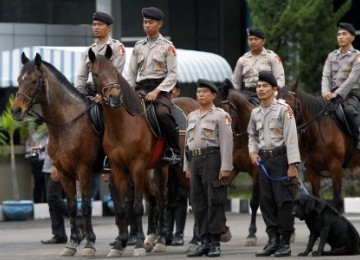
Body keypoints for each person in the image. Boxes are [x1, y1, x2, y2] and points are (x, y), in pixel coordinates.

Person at [247, 71, 301, 257]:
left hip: (281, 160)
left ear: (274, 89)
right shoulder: (255, 112)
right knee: (266, 202)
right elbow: (252, 135)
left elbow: (291, 137)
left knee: (283, 202)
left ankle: (284, 242)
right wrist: (252, 152)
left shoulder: (284, 110)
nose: (261, 90)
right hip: (264, 161)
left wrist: (293, 164)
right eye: (258, 86)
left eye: (265, 86)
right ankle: (273, 240)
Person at [184, 79, 233, 257]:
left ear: (213, 95)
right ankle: (203, 241)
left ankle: (214, 242)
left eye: (205, 91)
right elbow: (187, 145)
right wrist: (187, 166)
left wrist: (226, 166)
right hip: (195, 160)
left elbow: (227, 142)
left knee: (215, 201)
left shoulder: (221, 115)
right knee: (198, 204)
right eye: (198, 92)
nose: (200, 95)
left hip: (213, 159)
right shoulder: (192, 116)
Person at [127, 6, 181, 164]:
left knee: (162, 114)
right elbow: (131, 73)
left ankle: (174, 150)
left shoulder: (167, 46)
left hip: (160, 89)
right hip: (140, 88)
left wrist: (157, 91)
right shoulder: (138, 46)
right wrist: (128, 91)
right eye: (145, 22)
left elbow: (172, 74)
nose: (147, 25)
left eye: (150, 22)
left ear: (160, 24)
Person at [321, 22, 360, 148]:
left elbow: (352, 78)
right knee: (316, 111)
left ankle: (358, 136)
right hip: (330, 95)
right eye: (338, 35)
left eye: (344, 34)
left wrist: (337, 93)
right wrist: (325, 92)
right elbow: (326, 76)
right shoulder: (332, 56)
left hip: (350, 95)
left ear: (352, 38)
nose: (340, 37)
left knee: (350, 111)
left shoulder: (357, 56)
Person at [75, 11, 126, 101]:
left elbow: (116, 75)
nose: (96, 27)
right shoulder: (89, 50)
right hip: (89, 91)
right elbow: (81, 76)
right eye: (94, 24)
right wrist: (79, 93)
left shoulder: (117, 47)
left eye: (100, 24)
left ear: (109, 27)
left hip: (108, 92)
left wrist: (102, 94)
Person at [232, 27, 285, 103]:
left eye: (256, 39)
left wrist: (275, 93)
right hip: (247, 95)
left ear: (263, 41)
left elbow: (280, 78)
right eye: (250, 39)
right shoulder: (242, 60)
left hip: (267, 94)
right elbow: (235, 81)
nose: (253, 42)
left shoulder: (272, 57)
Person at [41, 136, 68, 244]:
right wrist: (42, 148)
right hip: (47, 168)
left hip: (57, 168)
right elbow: (52, 146)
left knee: (53, 198)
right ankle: (59, 234)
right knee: (52, 203)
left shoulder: (59, 124)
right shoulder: (49, 128)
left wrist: (56, 166)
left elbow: (63, 147)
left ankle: (79, 218)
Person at [25, 126, 47, 203]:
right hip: (37, 162)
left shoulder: (47, 136)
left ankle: (46, 202)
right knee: (38, 184)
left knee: (46, 184)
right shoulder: (33, 136)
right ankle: (37, 203)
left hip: (46, 161)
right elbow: (28, 150)